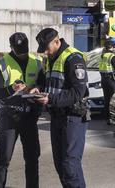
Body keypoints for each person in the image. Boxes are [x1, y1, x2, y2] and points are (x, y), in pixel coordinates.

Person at [34, 28, 89, 188]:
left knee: (69, 165)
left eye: (46, 48)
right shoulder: (51, 58)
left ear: (57, 42)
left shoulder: (73, 58)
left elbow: (77, 92)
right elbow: (46, 82)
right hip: (57, 116)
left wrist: (50, 98)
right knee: (60, 164)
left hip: (73, 117)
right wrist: (37, 88)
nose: (45, 52)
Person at [0, 32, 44, 188]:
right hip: (9, 117)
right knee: (3, 159)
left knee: (32, 158)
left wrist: (35, 89)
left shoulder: (37, 61)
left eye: (24, 50)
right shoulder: (1, 63)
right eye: (19, 50)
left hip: (29, 116)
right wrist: (11, 88)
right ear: (11, 48)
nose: (22, 54)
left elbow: (43, 84)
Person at [99, 40, 115, 125]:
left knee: (107, 99)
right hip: (110, 80)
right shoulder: (111, 56)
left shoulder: (102, 55)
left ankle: (108, 119)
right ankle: (114, 118)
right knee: (114, 99)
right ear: (112, 47)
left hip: (103, 80)